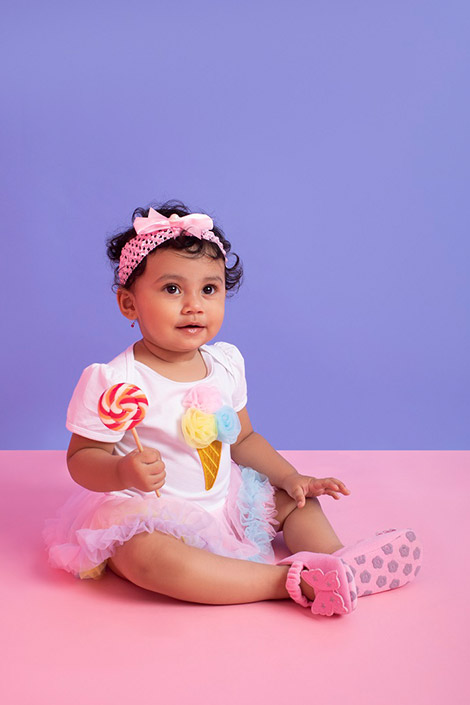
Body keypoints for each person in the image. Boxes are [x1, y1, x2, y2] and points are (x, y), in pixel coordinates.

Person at [44, 200, 422, 617]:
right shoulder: (116, 380)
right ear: (129, 304)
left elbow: (243, 439)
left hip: (226, 500)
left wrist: (291, 476)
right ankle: (290, 581)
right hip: (153, 514)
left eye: (209, 289)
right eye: (172, 289)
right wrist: (120, 470)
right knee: (148, 558)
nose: (194, 305)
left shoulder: (224, 363)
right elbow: (81, 457)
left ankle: (338, 561)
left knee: (293, 499)